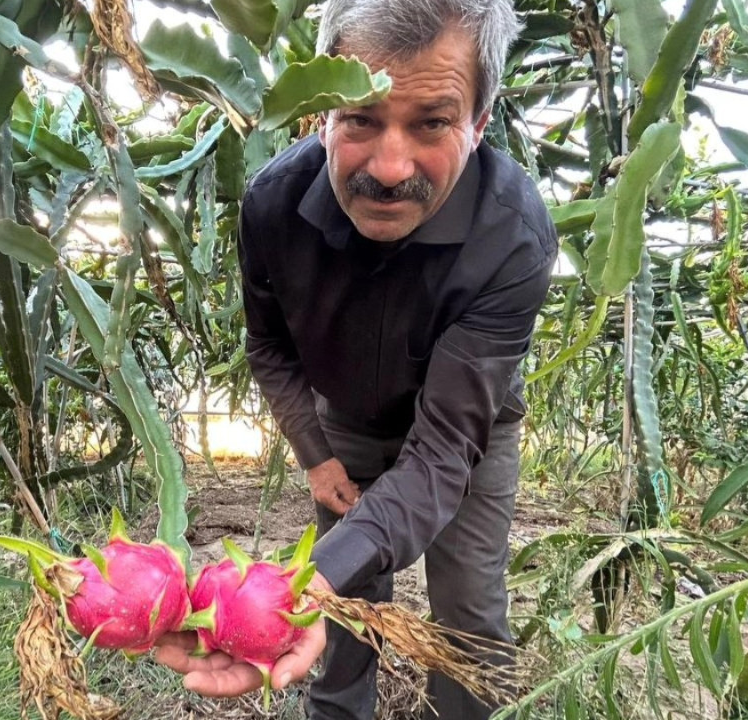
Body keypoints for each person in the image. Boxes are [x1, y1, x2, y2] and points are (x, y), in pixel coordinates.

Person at [155, 0, 556, 717]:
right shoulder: (274, 205)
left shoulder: (513, 235)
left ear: (480, 122)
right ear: (321, 117)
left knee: (468, 606)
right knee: (342, 614)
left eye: (432, 122)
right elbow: (269, 345)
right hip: (345, 427)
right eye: (361, 120)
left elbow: (442, 451)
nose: (390, 167)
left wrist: (320, 569)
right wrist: (316, 455)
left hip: (466, 437)